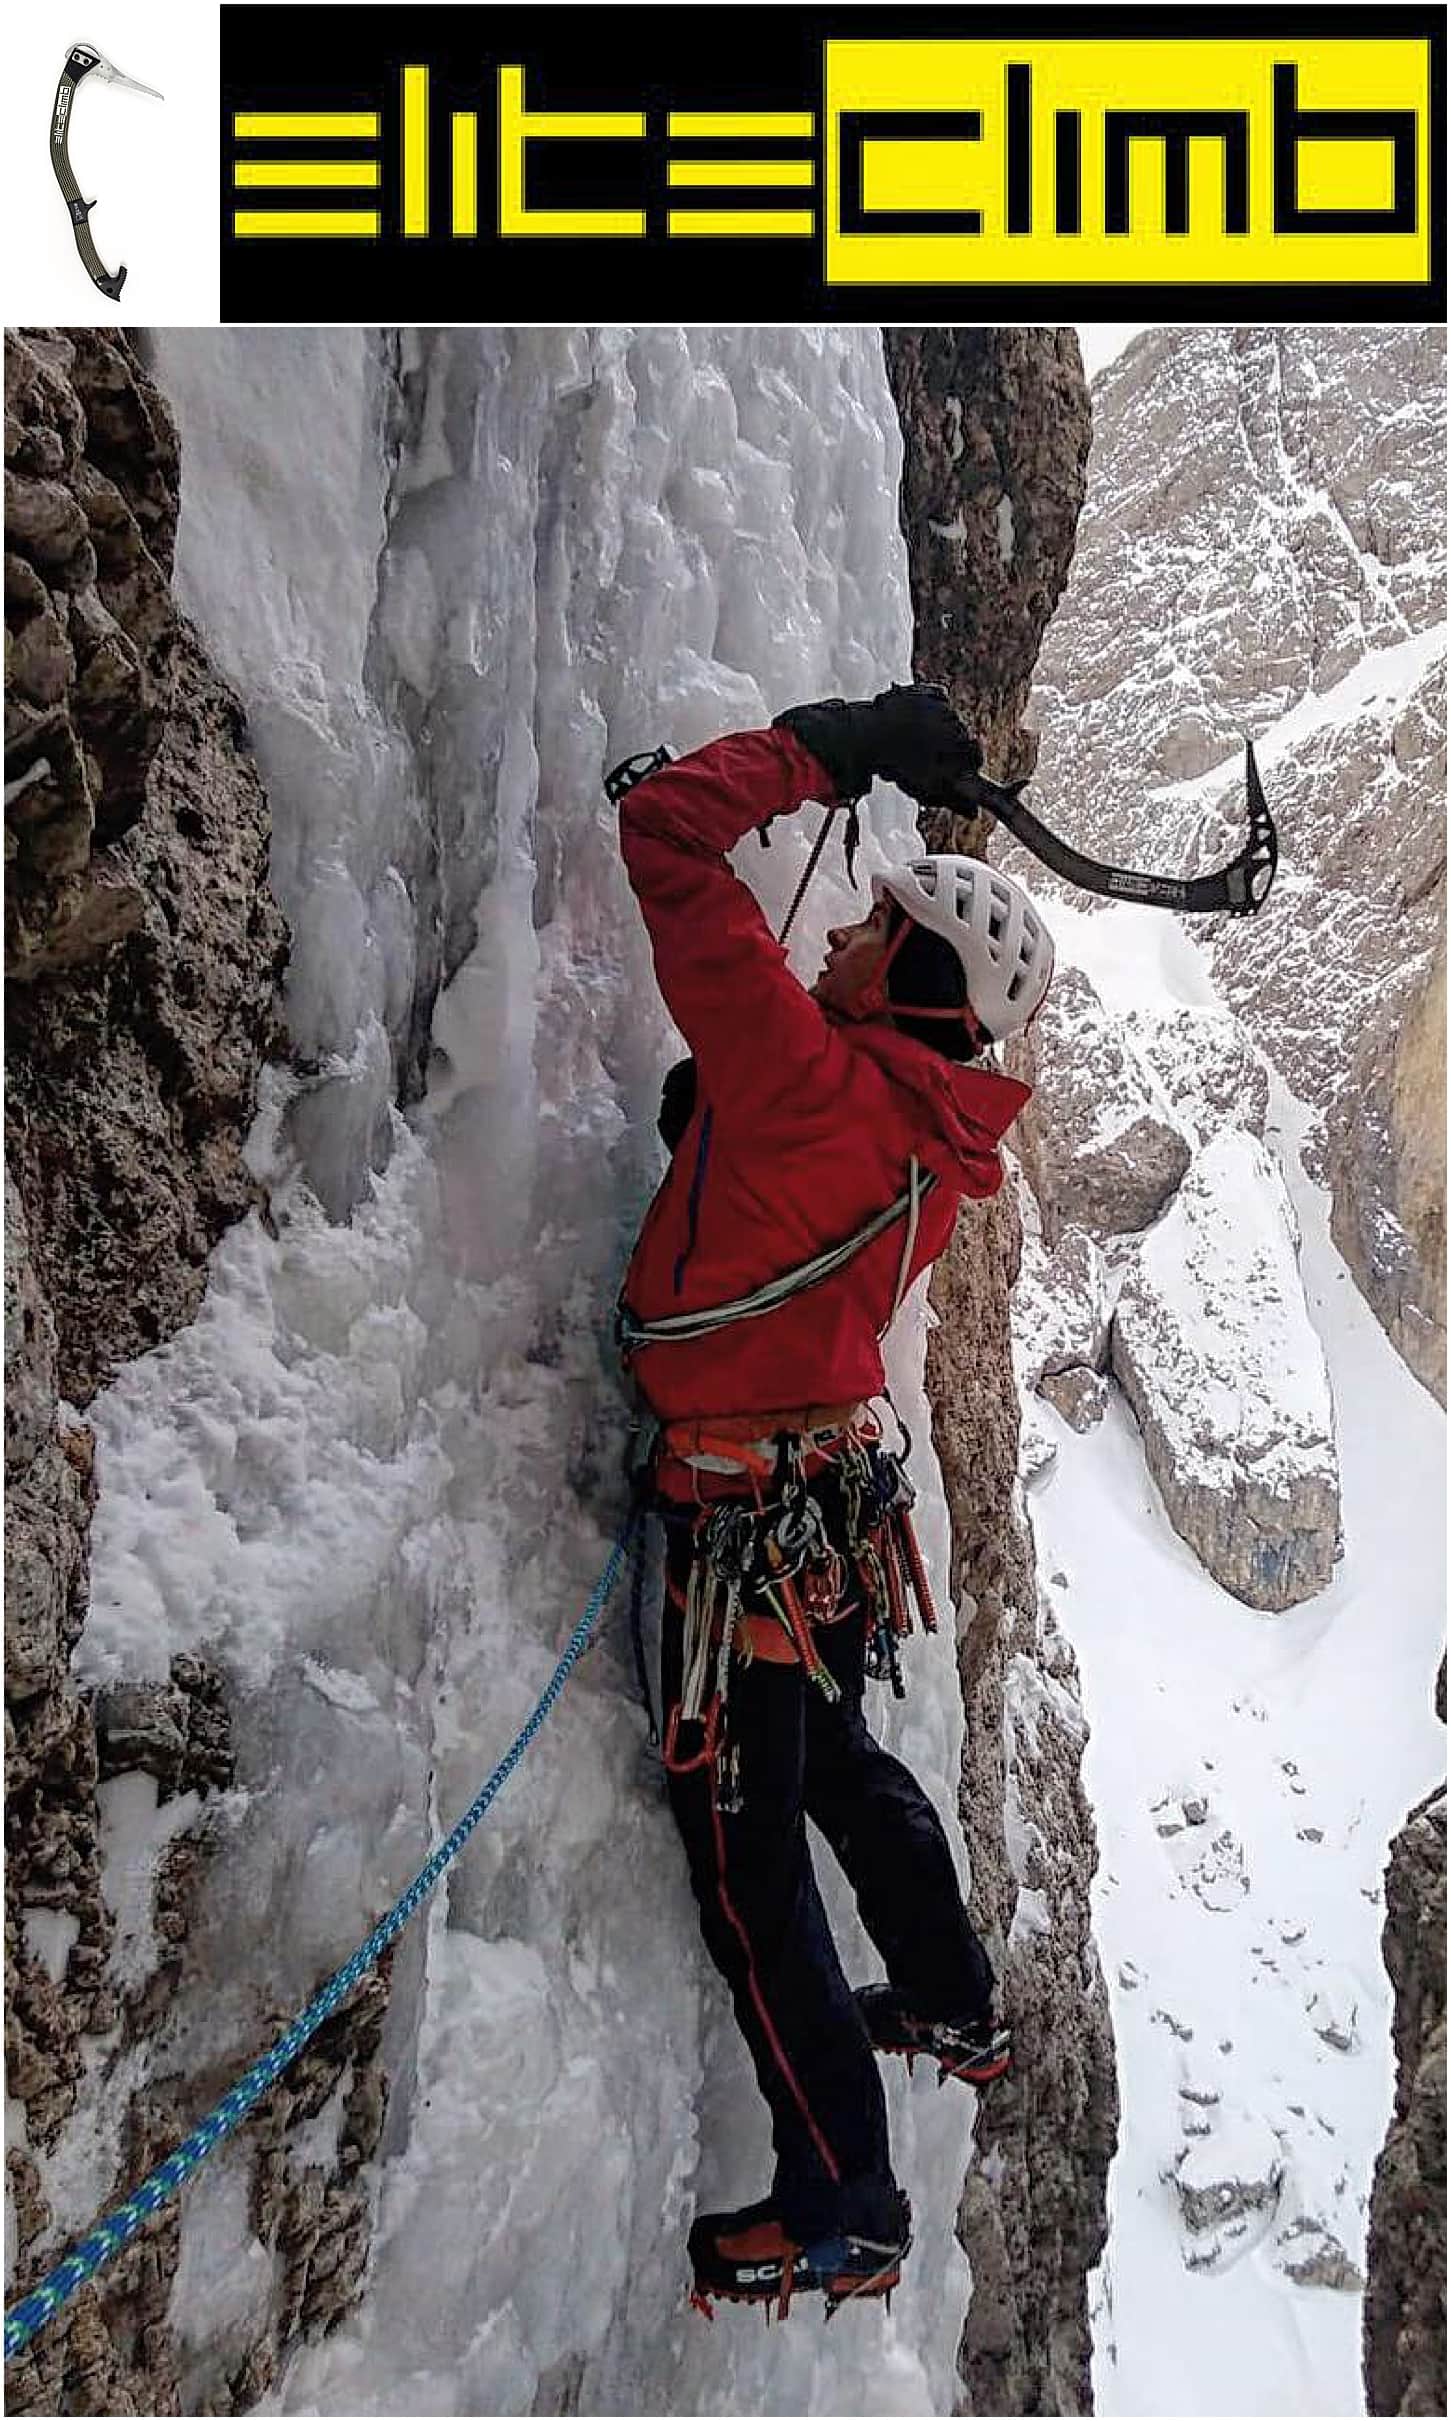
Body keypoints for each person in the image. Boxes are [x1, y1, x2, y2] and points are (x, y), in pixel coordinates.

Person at [615, 685, 1053, 2319]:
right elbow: (804, 1189)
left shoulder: (807, 1078)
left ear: (912, 981)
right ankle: (947, 1990)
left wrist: (822, 745)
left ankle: (844, 2196)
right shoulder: (936, 1139)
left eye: (876, 927)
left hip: (743, 1526)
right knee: (841, 1771)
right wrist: (723, 1128)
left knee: (747, 1875)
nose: (844, 931)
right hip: (818, 1523)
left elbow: (667, 838)